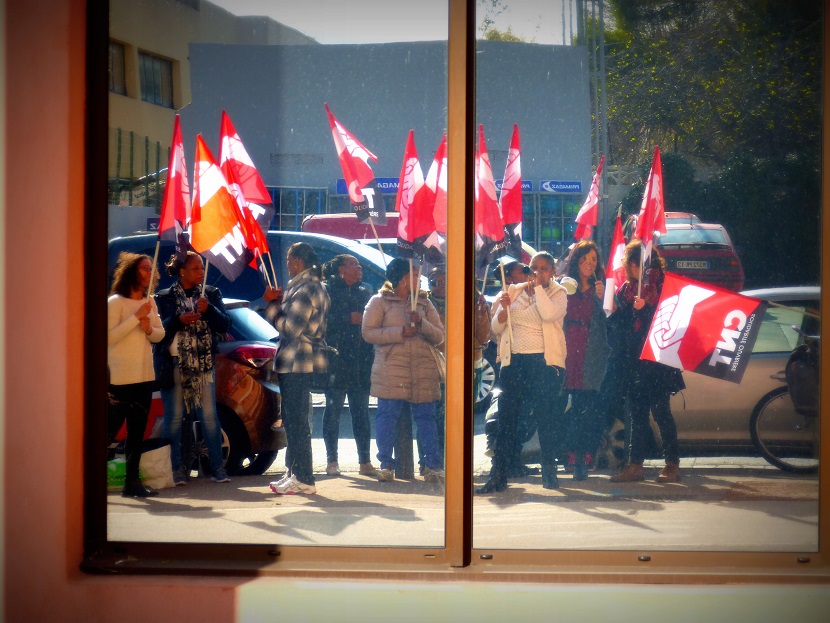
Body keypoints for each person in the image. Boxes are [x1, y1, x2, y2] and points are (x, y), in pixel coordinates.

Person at [477, 251, 569, 493]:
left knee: (545, 418)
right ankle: (499, 475)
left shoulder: (558, 294)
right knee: (506, 421)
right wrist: (504, 310)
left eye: (545, 268)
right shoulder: (513, 292)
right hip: (514, 362)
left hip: (543, 363)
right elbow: (496, 328)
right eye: (535, 267)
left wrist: (538, 288)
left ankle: (549, 471)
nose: (539, 272)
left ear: (553, 272)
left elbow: (549, 314)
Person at [362, 258, 445, 483]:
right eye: (416, 275)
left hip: (422, 369)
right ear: (403, 278)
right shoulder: (379, 302)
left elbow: (439, 335)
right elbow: (368, 332)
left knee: (427, 418)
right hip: (392, 369)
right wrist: (399, 332)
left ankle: (433, 465)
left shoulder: (425, 303)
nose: (420, 280)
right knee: (387, 416)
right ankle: (386, 464)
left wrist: (422, 325)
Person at [610, 240, 685, 484]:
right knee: (637, 414)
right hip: (634, 363)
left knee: (661, 413)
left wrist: (647, 309)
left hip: (657, 362)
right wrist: (612, 307)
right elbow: (621, 326)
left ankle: (672, 465)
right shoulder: (626, 290)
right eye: (630, 265)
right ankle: (635, 466)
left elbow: (670, 320)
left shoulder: (662, 286)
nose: (631, 269)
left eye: (634, 264)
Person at [154, 251, 232, 486]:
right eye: (196, 269)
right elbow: (157, 334)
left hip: (203, 365)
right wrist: (178, 320)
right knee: (174, 418)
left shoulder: (210, 294)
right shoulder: (165, 297)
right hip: (175, 363)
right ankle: (176, 470)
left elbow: (225, 325)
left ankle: (217, 468)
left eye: (201, 268)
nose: (201, 273)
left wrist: (209, 310)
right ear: (182, 271)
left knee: (208, 416)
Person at [265, 242, 330, 495]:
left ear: (298, 261)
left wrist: (271, 306)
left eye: (290, 258)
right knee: (293, 420)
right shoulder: (312, 286)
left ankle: (304, 476)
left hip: (297, 360)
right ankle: (295, 472)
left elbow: (290, 329)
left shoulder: (306, 289)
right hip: (300, 360)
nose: (288, 264)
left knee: (296, 421)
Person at [108, 252, 165, 497]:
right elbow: (108, 337)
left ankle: (132, 483)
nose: (148, 272)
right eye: (143, 267)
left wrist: (148, 327)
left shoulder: (150, 301)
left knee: (137, 432)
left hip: (144, 376)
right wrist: (136, 318)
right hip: (120, 378)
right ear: (131, 271)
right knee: (108, 430)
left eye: (150, 268)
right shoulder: (115, 302)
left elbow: (160, 335)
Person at [321, 254, 378, 477]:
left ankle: (365, 461)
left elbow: (374, 319)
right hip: (336, 360)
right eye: (353, 264)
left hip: (361, 361)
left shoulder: (366, 290)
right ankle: (331, 460)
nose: (359, 267)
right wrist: (347, 318)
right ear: (342, 269)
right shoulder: (327, 290)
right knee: (333, 410)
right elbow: (321, 321)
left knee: (361, 411)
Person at [558, 240, 611, 481]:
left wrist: (603, 300)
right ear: (576, 261)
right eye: (585, 259)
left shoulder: (601, 287)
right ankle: (564, 455)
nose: (590, 264)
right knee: (561, 410)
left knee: (585, 410)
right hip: (566, 350)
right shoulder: (564, 286)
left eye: (594, 260)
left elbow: (611, 322)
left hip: (590, 353)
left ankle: (581, 458)